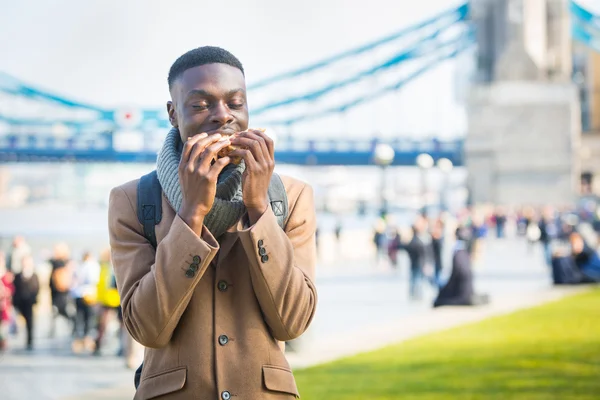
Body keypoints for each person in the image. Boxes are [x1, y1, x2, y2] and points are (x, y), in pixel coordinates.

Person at [108, 46, 317, 399]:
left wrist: (258, 207)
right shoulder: (134, 200)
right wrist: (191, 215)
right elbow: (147, 329)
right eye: (201, 104)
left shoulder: (291, 196)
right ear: (173, 114)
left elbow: (293, 323)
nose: (223, 116)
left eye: (236, 103)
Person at [434, 227, 489, 308]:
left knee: (438, 301)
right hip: (467, 292)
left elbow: (454, 277)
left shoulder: (458, 254)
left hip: (462, 296)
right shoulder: (464, 254)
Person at [70, 252, 100, 353]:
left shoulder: (79, 267)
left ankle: (79, 342)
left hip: (78, 295)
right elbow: (93, 280)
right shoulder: (92, 266)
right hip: (88, 295)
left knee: (80, 319)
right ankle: (86, 342)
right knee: (88, 320)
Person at [12, 254, 39, 350]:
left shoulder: (34, 275)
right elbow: (15, 289)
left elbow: (36, 288)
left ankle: (30, 340)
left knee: (30, 322)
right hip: (20, 302)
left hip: (29, 302)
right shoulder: (18, 275)